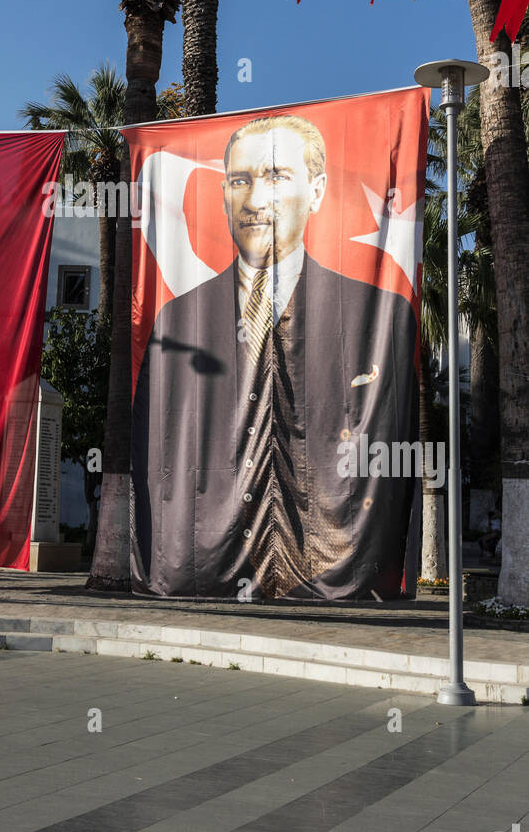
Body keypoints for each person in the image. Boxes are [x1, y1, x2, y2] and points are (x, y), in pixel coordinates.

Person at [131, 114, 419, 601]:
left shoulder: (378, 315)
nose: (256, 200)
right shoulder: (178, 322)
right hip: (204, 570)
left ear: (318, 191)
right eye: (240, 180)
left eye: (277, 176)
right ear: (224, 195)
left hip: (339, 570)